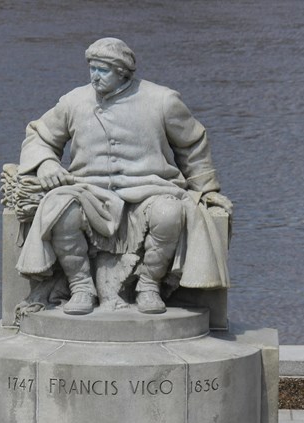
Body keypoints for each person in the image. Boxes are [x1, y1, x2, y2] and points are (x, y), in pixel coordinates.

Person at [16, 37, 230, 315]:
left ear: (122, 72)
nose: (94, 76)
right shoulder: (74, 101)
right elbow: (39, 136)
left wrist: (207, 188)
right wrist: (46, 164)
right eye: (92, 68)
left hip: (150, 190)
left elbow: (192, 145)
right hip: (88, 191)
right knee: (61, 210)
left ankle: (149, 285)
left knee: (169, 212)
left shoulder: (162, 100)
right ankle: (80, 286)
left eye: (102, 70)